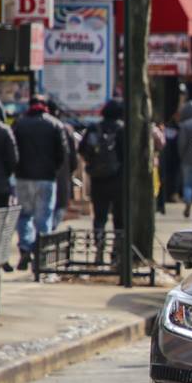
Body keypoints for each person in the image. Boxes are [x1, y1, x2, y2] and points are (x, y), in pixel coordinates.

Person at [11, 95, 67, 270]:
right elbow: (62, 153)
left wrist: (18, 168)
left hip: (23, 177)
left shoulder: (19, 124)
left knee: (24, 215)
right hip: (46, 177)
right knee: (44, 216)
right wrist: (52, 169)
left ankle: (25, 247)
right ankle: (41, 254)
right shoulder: (55, 124)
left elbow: (13, 150)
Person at [78, 99, 126, 264]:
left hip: (98, 180)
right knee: (119, 220)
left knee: (99, 217)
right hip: (119, 181)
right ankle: (116, 254)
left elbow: (82, 149)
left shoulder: (94, 128)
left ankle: (99, 250)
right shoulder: (122, 129)